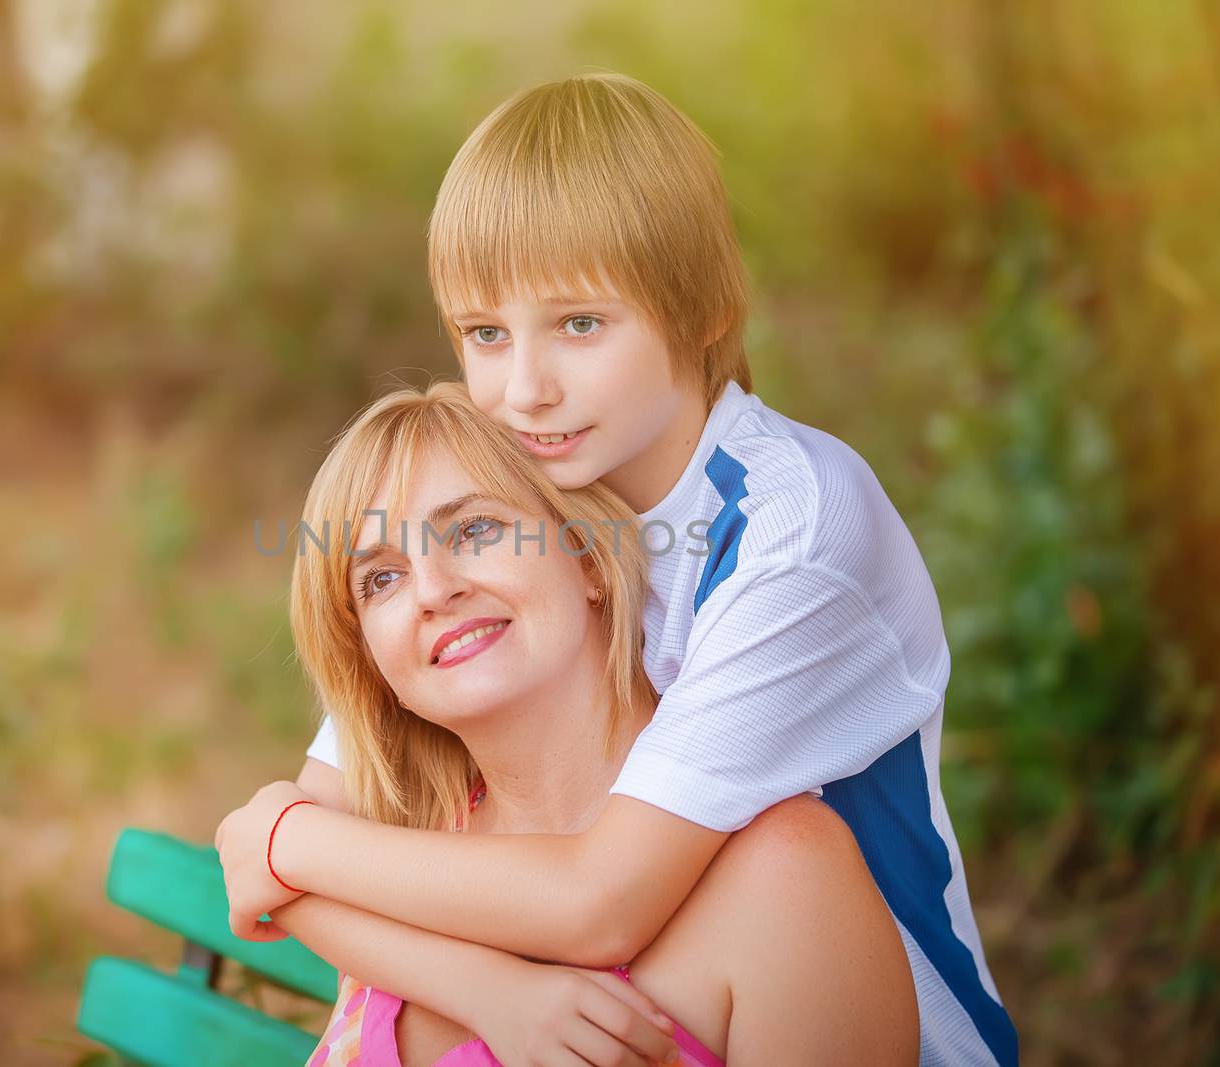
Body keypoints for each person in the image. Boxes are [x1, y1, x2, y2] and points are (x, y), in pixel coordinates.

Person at [218, 73, 1017, 1065]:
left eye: (580, 324)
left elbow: (594, 900)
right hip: (606, 992)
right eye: (484, 333)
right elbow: (307, 860)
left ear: (701, 309)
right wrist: (488, 988)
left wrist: (277, 834)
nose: (522, 387)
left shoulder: (791, 531)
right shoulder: (519, 491)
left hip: (818, 1006)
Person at [264, 382, 916, 1065]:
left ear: (587, 554)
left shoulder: (784, 878)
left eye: (475, 529)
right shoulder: (399, 851)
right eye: (382, 579)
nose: (433, 588)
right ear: (372, 658)